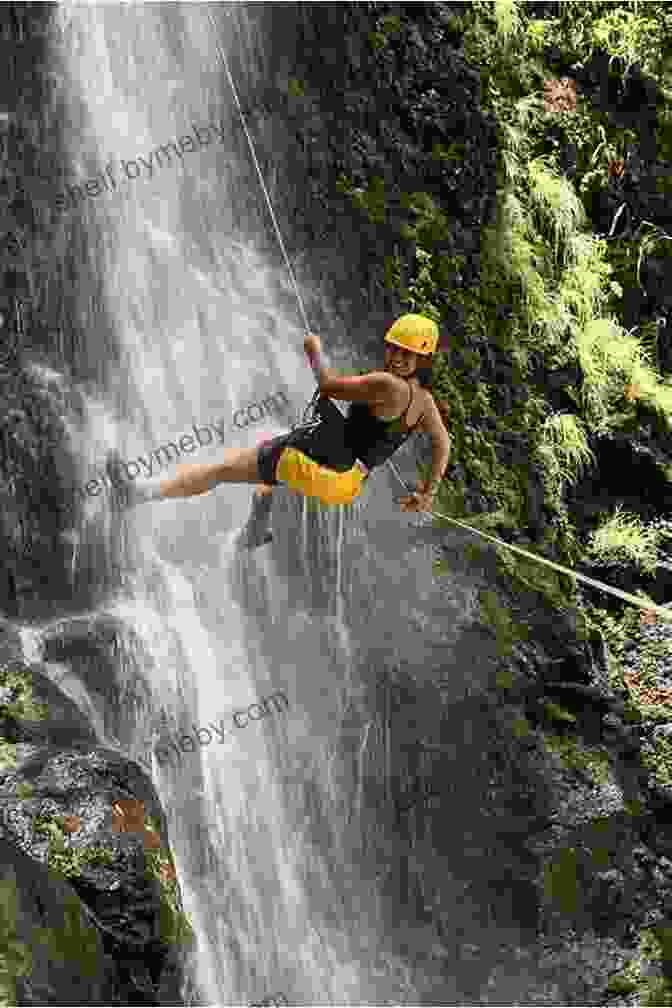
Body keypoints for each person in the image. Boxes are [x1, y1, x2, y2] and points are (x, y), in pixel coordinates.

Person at [116, 313, 452, 547]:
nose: (397, 357)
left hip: (325, 463)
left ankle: (137, 494)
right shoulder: (424, 403)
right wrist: (428, 492)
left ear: (422, 359)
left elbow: (328, 385)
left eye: (408, 354)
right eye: (394, 348)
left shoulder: (387, 385)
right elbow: (442, 444)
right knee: (271, 448)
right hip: (347, 483)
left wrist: (313, 351)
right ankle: (255, 529)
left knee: (222, 469)